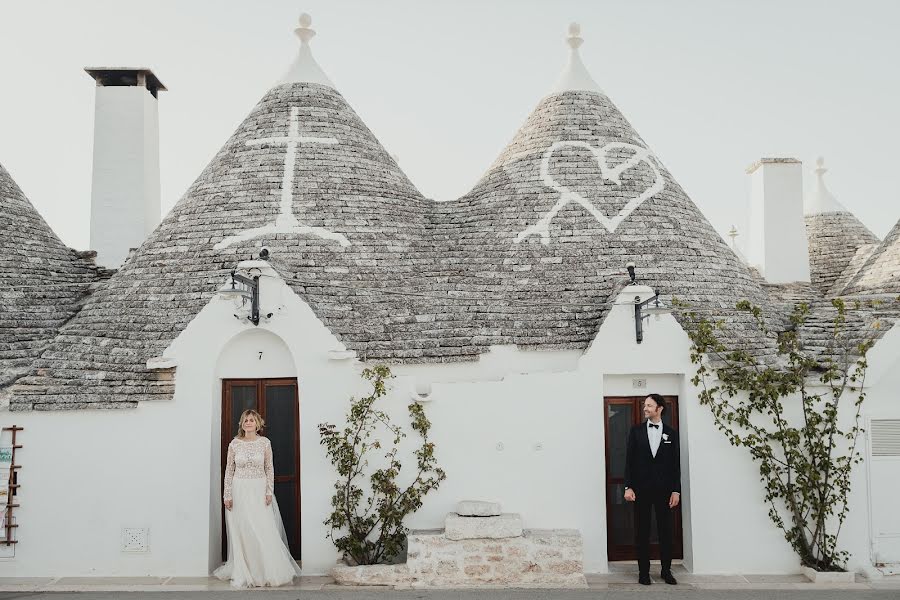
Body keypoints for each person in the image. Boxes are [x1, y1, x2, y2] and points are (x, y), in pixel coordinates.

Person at [214, 409, 301, 588]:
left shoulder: (264, 443)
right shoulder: (234, 444)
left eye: (251, 420)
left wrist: (269, 491)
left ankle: (265, 570)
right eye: (245, 420)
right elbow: (229, 471)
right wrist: (227, 494)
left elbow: (269, 468)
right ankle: (245, 570)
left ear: (257, 424)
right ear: (241, 424)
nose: (248, 423)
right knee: (243, 530)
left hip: (259, 489)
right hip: (239, 490)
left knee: (262, 528)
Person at [623, 393, 681, 586]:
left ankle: (666, 571)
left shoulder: (671, 434)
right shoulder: (636, 431)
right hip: (641, 490)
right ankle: (644, 573)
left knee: (666, 532)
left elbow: (675, 465)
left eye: (649, 405)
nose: (645, 408)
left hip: (664, 492)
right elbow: (629, 462)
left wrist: (676, 490)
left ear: (659, 408)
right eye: (645, 405)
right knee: (642, 532)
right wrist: (628, 486)